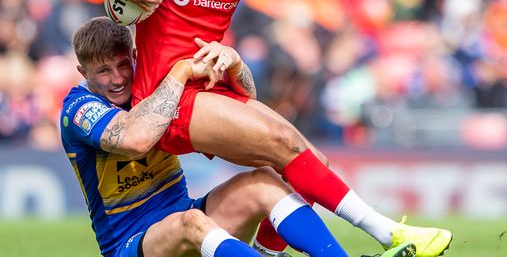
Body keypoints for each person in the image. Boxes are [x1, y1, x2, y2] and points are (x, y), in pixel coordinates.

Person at [65, 0, 452, 257]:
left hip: (213, 86)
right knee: (285, 143)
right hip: (169, 97)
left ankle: (270, 252)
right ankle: (390, 233)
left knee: (308, 163)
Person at [60, 17, 417, 257]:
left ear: (135, 57)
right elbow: (134, 139)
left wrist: (234, 64)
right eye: (103, 71)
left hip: (185, 212)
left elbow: (247, 102)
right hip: (132, 244)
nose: (118, 78)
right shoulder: (78, 108)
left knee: (264, 182)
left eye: (123, 65)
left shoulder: (152, 83)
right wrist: (183, 70)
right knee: (193, 224)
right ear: (83, 71)